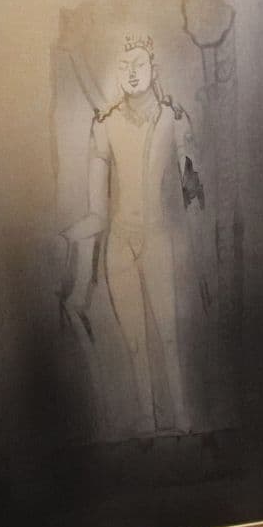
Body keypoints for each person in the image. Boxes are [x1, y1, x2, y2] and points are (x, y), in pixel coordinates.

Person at [62, 33, 206, 436]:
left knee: (168, 333)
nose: (131, 73)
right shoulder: (104, 126)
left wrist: (199, 236)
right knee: (135, 341)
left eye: (139, 65)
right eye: (124, 66)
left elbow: (193, 187)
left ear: (153, 70)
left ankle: (181, 414)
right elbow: (97, 212)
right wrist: (66, 238)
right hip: (120, 244)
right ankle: (147, 417)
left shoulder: (173, 120)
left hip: (158, 237)